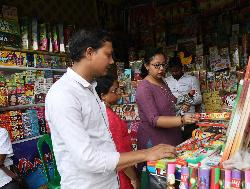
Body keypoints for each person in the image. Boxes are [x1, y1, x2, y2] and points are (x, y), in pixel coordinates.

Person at [45, 29, 176, 189]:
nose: (112, 61)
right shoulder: (63, 94)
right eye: (108, 55)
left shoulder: (90, 89)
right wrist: (146, 153)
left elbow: (104, 144)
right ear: (89, 53)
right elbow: (88, 158)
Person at [135, 49, 198, 153]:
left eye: (164, 65)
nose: (161, 68)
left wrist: (187, 99)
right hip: (156, 142)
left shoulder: (162, 82)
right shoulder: (144, 88)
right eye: (157, 65)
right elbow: (154, 120)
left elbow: (173, 102)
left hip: (172, 137)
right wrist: (182, 120)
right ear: (147, 66)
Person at [95, 75, 139, 189]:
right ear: (103, 96)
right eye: (115, 90)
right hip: (121, 173)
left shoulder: (104, 112)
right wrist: (133, 178)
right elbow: (118, 153)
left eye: (118, 89)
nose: (119, 92)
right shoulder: (109, 117)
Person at [164, 55, 202, 140]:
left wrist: (187, 102)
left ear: (182, 68)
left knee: (190, 144)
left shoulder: (192, 79)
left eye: (177, 70)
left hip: (189, 119)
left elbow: (199, 98)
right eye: (172, 71)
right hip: (173, 120)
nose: (174, 73)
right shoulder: (165, 81)